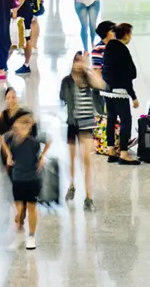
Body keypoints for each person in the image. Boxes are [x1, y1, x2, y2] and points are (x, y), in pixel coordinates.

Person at [60, 52, 105, 211]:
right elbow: (63, 97)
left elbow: (101, 85)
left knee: (87, 160)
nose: (79, 64)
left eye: (82, 61)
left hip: (87, 123)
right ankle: (72, 185)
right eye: (77, 61)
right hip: (73, 124)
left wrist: (89, 69)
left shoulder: (88, 78)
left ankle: (89, 196)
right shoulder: (66, 81)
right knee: (73, 159)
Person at [0, 111, 51, 250]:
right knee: (19, 209)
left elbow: (49, 140)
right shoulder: (11, 137)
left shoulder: (34, 138)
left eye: (26, 124)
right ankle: (19, 232)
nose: (23, 127)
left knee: (32, 206)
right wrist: (9, 155)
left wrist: (42, 156)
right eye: (20, 124)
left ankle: (31, 236)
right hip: (17, 178)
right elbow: (2, 140)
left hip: (33, 178)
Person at [101, 23, 141, 165]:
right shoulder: (123, 50)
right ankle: (124, 153)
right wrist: (134, 96)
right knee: (126, 120)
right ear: (126, 35)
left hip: (106, 89)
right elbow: (128, 76)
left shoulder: (109, 48)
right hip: (119, 90)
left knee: (111, 119)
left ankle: (111, 151)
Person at [12, 0, 36, 74]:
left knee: (27, 37)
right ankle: (3, 63)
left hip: (25, 11)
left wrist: (15, 9)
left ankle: (26, 64)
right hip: (18, 10)